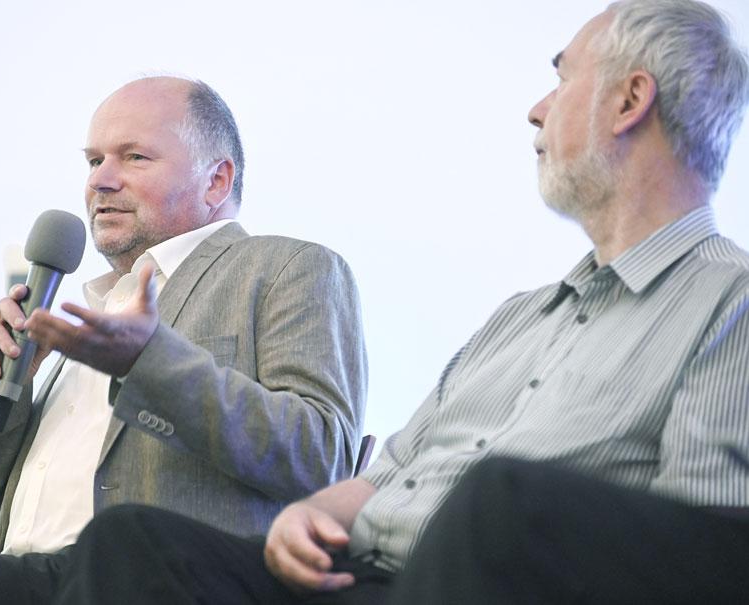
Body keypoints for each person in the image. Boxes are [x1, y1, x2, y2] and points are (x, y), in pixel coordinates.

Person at [48, 1, 749, 603]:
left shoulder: (731, 301)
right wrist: (313, 511)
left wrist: (496, 512)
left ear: (630, 101)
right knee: (134, 543)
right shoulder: (519, 317)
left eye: (561, 78)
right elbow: (386, 474)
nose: (536, 108)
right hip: (364, 577)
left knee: (495, 499)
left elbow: (703, 541)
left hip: (496, 581)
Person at [0, 76, 367, 604]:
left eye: (134, 157)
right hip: (23, 579)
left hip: (148, 579)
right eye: (94, 162)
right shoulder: (87, 309)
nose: (102, 181)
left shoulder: (286, 268)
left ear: (216, 180)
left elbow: (321, 456)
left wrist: (148, 360)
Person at [385, 456, 749, 604]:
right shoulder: (513, 317)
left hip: (476, 565)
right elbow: (388, 468)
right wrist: (323, 514)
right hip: (365, 557)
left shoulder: (723, 303)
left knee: (499, 490)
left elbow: (694, 531)